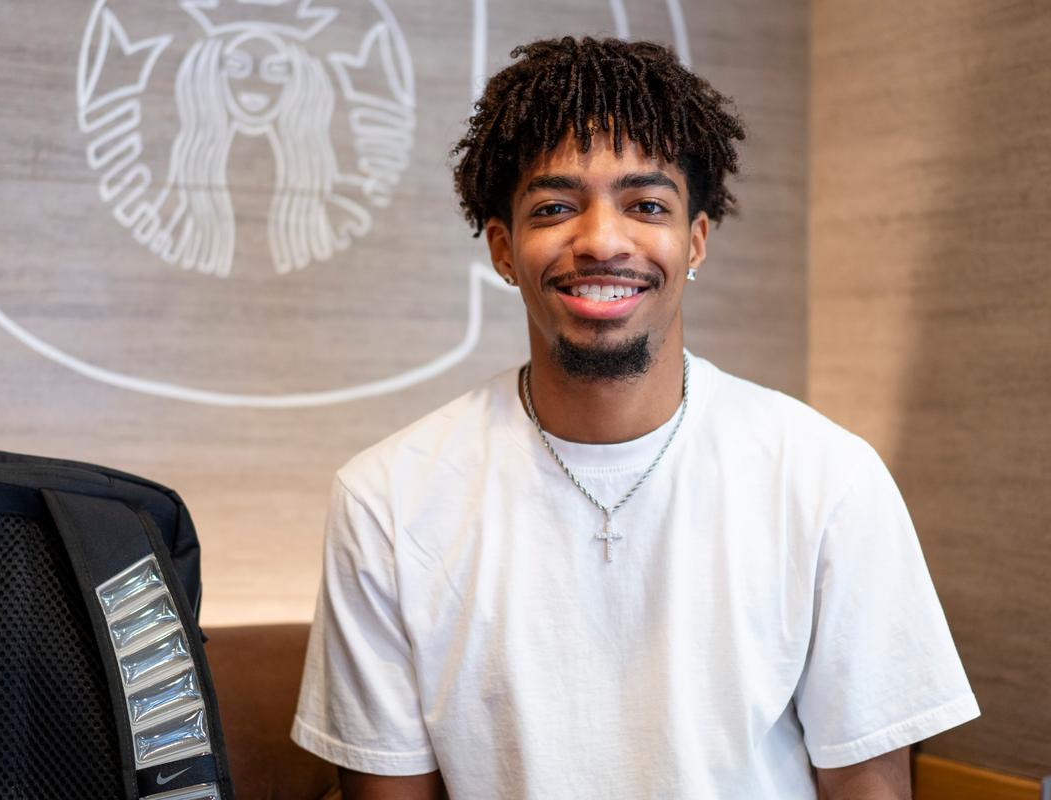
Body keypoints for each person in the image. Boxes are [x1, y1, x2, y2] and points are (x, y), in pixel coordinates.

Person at [290, 36, 979, 799]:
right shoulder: (386, 501)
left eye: (646, 205)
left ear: (695, 241)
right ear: (503, 250)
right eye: (554, 208)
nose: (602, 241)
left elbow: (866, 783)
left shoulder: (828, 479)